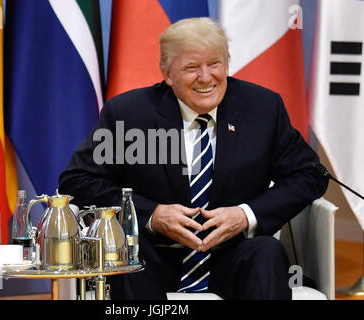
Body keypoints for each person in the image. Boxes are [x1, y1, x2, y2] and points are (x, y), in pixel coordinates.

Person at [59, 17, 328, 300]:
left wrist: (245, 214)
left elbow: (310, 175)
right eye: (191, 67)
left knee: (267, 252)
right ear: (167, 74)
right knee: (127, 252)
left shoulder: (261, 108)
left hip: (233, 256)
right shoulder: (129, 114)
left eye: (215, 63)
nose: (205, 77)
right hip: (154, 259)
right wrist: (152, 215)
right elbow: (77, 181)